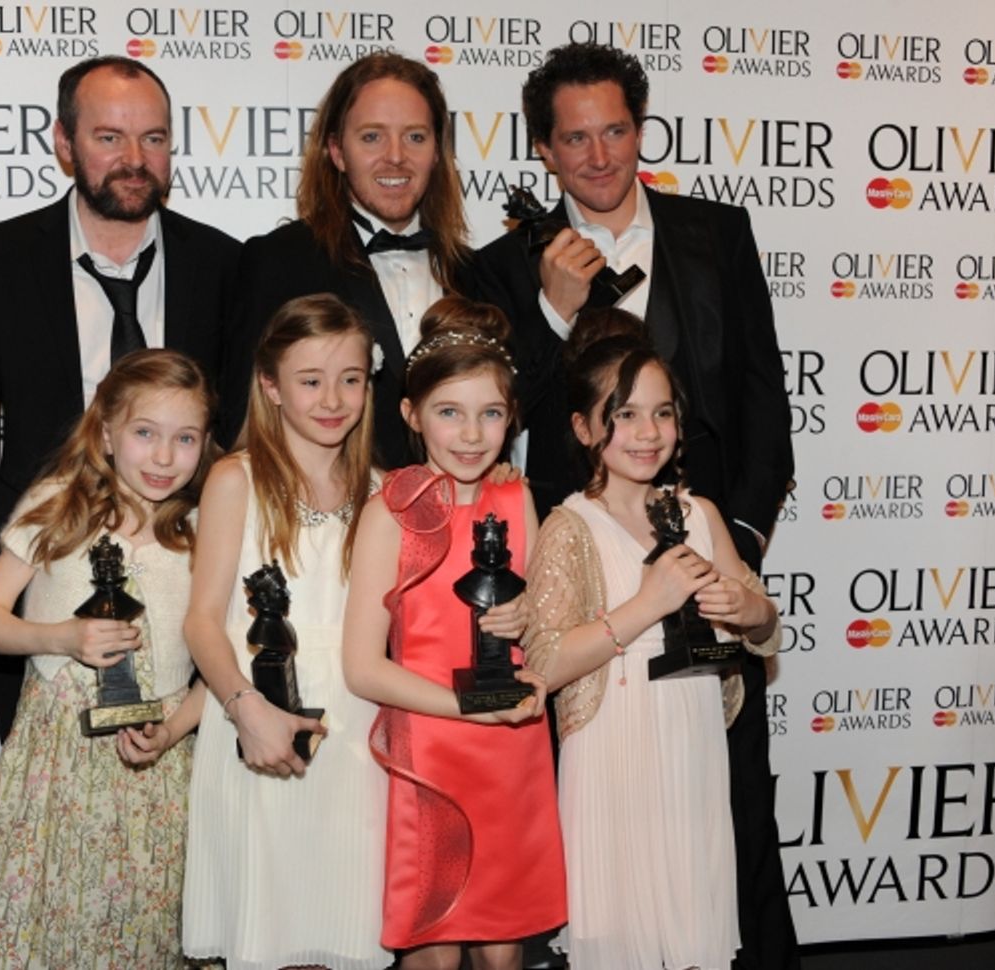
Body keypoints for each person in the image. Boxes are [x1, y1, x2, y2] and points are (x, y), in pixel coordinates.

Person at [475, 43, 798, 969]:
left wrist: (733, 547)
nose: (600, 155)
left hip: (705, 572)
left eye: (616, 131)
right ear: (544, 150)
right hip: (583, 575)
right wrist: (551, 314)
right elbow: (493, 420)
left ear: (641, 129)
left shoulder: (717, 233)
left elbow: (763, 399)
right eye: (576, 139)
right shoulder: (503, 266)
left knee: (729, 812)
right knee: (591, 827)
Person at [0, 55, 240, 741]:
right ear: (64, 143)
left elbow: (240, 431)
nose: (135, 159)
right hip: (37, 597)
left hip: (188, 591)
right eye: (109, 137)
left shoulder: (221, 263)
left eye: (153, 138)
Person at [522, 311, 781, 970]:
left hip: (692, 749)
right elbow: (546, 663)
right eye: (625, 415)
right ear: (584, 428)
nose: (647, 432)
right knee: (621, 938)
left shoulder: (700, 514)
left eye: (662, 414)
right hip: (611, 755)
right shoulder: (568, 527)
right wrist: (645, 605)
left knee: (693, 931)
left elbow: (765, 631)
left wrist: (748, 609)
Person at [0, 349, 215, 970]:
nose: (164, 457)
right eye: (145, 433)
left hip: (156, 770)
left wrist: (174, 729)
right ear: (106, 432)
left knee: (144, 933)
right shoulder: (58, 502)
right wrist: (63, 637)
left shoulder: (205, 530)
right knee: (49, 927)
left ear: (205, 445)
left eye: (185, 438)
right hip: (54, 763)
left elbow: (227, 662)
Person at [343, 297, 566, 970]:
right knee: (434, 951)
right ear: (411, 414)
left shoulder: (516, 499)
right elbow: (362, 667)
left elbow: (543, 631)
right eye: (449, 412)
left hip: (513, 749)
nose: (471, 435)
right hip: (431, 752)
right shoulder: (391, 511)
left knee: (505, 950)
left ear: (512, 419)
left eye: (490, 414)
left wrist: (530, 628)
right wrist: (467, 708)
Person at [181, 294, 390, 970]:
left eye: (350, 379)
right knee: (272, 938)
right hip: (257, 720)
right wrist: (247, 711)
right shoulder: (235, 480)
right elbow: (203, 621)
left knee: (348, 934)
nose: (333, 399)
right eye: (310, 380)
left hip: (359, 734)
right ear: (270, 386)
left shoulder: (385, 491)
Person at [219, 52, 475, 470]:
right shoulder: (279, 260)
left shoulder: (473, 272)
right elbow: (241, 419)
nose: (396, 156)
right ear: (337, 151)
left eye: (415, 137)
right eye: (372, 137)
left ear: (436, 152)